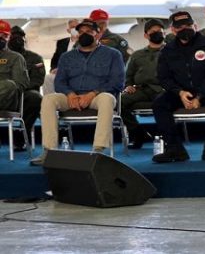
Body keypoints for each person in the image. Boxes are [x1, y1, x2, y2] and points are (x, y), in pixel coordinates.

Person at [31, 19, 125, 165]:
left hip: (98, 96)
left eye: (89, 32)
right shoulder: (67, 57)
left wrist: (93, 93)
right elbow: (59, 82)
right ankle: (49, 151)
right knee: (48, 99)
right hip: (71, 97)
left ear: (98, 34)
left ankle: (98, 150)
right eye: (81, 32)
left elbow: (117, 82)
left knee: (107, 99)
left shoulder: (113, 54)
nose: (84, 34)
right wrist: (70, 94)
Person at [151, 11, 205, 163]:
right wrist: (179, 92)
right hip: (180, 93)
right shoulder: (167, 50)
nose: (185, 29)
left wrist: (200, 96)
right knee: (159, 104)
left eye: (188, 25)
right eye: (180, 27)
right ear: (173, 30)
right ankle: (175, 149)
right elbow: (163, 77)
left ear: (195, 26)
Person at [120, 19, 165, 149]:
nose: (157, 33)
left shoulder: (172, 52)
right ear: (146, 35)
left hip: (163, 89)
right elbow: (128, 75)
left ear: (164, 33)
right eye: (153, 32)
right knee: (118, 102)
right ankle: (138, 133)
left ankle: (165, 137)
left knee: (165, 103)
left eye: (159, 31)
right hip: (142, 89)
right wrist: (128, 85)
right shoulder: (137, 55)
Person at [8, 26, 45, 151]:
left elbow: (37, 80)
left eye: (20, 36)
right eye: (13, 36)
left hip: (25, 94)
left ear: (24, 39)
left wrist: (19, 88)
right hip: (4, 95)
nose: (17, 39)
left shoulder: (35, 58)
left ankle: (22, 133)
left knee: (36, 98)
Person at [0, 21, 31, 148]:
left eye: (4, 36)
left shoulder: (16, 57)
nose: (1, 38)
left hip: (7, 100)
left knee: (10, 85)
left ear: (8, 38)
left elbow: (20, 84)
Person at [44, 19, 79, 95]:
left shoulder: (84, 43)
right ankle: (48, 100)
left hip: (77, 73)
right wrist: (53, 69)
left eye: (77, 27)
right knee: (48, 78)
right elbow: (55, 59)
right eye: (73, 27)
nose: (75, 29)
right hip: (60, 73)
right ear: (68, 30)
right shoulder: (61, 42)